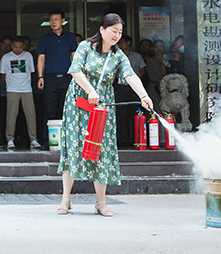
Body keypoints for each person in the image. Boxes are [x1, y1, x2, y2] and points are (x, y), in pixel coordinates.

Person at [58, 14, 153, 216]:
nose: (117, 36)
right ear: (102, 30)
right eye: (113, 31)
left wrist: (144, 96)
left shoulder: (118, 55)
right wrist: (91, 91)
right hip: (79, 104)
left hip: (102, 107)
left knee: (101, 149)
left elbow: (130, 75)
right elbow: (75, 71)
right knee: (74, 146)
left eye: (120, 32)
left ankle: (101, 202)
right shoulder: (85, 47)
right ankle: (66, 199)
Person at [36, 9, 78, 132]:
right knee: (50, 111)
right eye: (51, 20)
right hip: (50, 79)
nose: (53, 22)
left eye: (56, 19)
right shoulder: (44, 39)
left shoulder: (70, 37)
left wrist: (77, 77)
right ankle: (48, 139)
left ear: (63, 21)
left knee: (67, 109)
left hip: (67, 78)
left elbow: (74, 57)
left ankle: (68, 138)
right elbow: (41, 58)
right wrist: (40, 77)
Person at [0, 36, 39, 150]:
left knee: (31, 115)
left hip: (27, 89)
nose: (18, 49)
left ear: (24, 46)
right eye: (15, 47)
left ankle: (33, 139)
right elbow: (3, 74)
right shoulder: (6, 57)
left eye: (20, 47)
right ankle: (10, 139)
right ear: (11, 46)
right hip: (12, 89)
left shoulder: (28, 56)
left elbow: (31, 71)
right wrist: (11, 83)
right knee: (11, 116)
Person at [115, 35, 145, 147]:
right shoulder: (115, 56)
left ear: (128, 43)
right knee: (121, 112)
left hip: (134, 88)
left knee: (134, 111)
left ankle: (134, 138)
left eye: (122, 42)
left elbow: (142, 71)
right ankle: (122, 139)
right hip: (120, 86)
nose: (120, 44)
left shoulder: (136, 56)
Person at [144, 38, 168, 111]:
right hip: (154, 87)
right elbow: (151, 76)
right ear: (153, 48)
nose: (158, 49)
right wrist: (162, 83)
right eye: (156, 47)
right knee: (155, 107)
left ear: (164, 48)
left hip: (167, 86)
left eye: (161, 46)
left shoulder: (168, 59)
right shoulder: (149, 61)